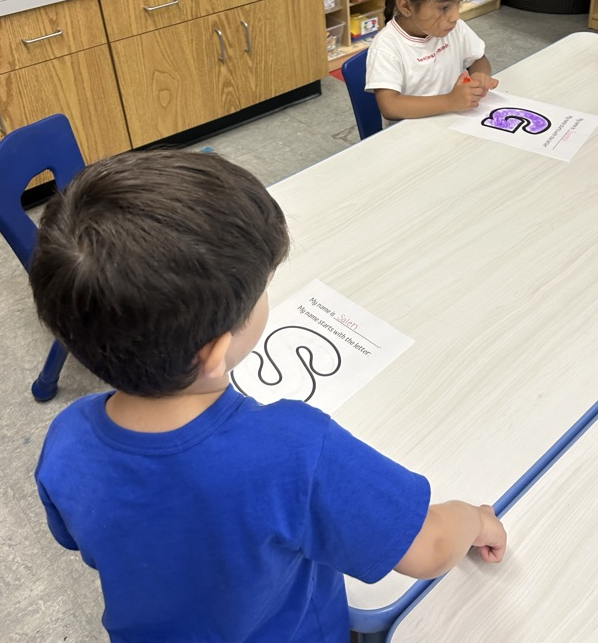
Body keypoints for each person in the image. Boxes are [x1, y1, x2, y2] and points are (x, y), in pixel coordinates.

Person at [31, 149, 507, 643]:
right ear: (216, 351)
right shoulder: (294, 449)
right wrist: (474, 519)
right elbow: (428, 548)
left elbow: (79, 539)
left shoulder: (66, 437)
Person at [365, 0, 499, 123]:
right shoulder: (387, 47)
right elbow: (390, 107)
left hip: (452, 121)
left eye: (457, 3)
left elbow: (478, 59)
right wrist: (449, 101)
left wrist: (479, 76)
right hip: (411, 137)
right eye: (444, 7)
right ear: (406, 6)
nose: (455, 16)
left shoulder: (454, 28)